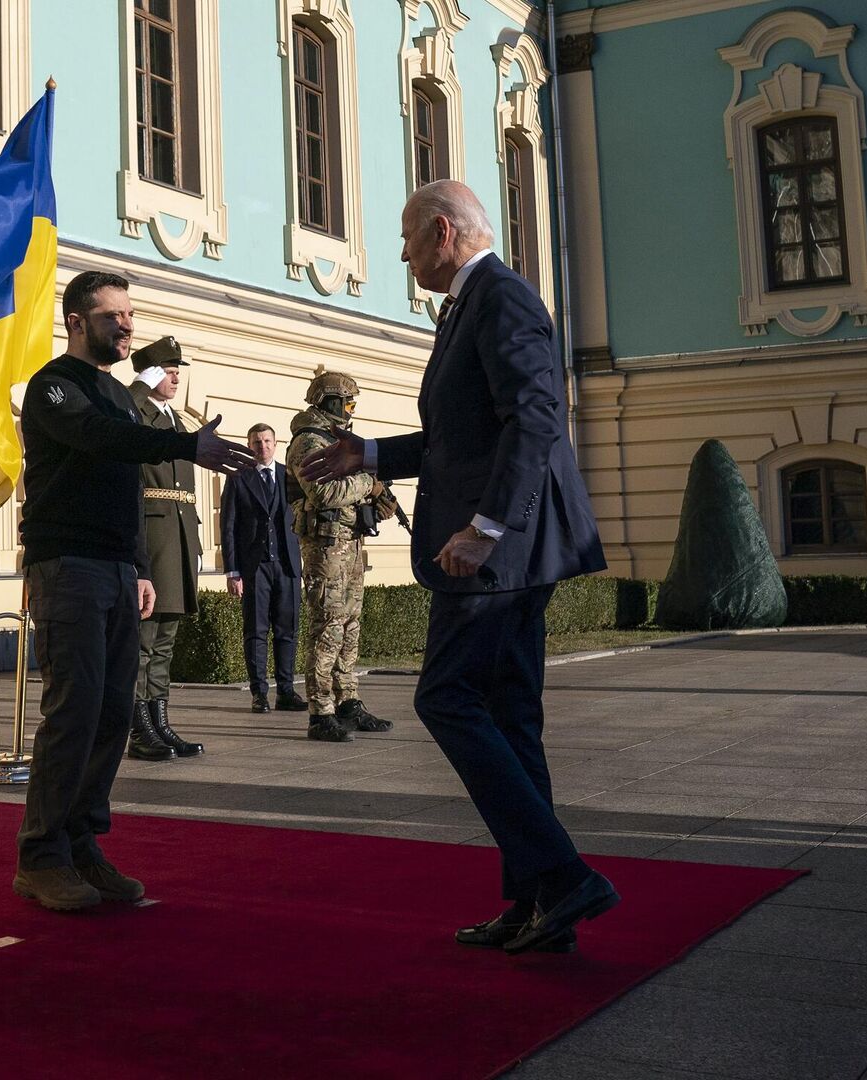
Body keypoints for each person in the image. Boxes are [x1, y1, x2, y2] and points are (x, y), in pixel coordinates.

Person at [300, 180, 615, 955]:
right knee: (510, 719)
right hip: (502, 546)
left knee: (446, 698)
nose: (402, 253)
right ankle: (540, 903)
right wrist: (368, 454)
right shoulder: (473, 305)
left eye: (408, 239)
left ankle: (563, 876)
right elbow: (460, 438)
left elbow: (534, 418)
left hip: (495, 553)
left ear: (442, 232)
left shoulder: (500, 298)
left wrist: (486, 526)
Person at [13, 271, 253, 911]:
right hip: (66, 567)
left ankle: (83, 845)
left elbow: (127, 493)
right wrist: (182, 443)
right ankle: (41, 857)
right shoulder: (54, 387)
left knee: (115, 713)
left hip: (116, 571)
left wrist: (140, 568)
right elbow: (99, 439)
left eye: (129, 313)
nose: (126, 325)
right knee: (75, 710)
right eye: (111, 315)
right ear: (76, 322)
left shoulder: (120, 397)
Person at [284, 372, 397, 742]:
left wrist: (376, 499)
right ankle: (321, 711)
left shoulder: (339, 440)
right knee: (328, 625)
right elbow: (323, 494)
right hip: (325, 547)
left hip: (350, 543)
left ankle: (348, 700)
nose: (350, 410)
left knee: (350, 624)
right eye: (346, 403)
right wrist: (370, 482)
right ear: (328, 402)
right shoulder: (308, 441)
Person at [127, 335, 207, 761]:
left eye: (177, 371)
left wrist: (193, 544)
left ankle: (160, 722)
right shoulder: (134, 410)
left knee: (164, 642)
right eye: (168, 371)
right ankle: (139, 730)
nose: (175, 378)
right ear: (150, 373)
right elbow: (119, 415)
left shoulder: (176, 421)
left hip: (177, 541)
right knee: (143, 640)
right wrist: (140, 384)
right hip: (151, 541)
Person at [221, 423, 305, 714]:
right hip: (254, 567)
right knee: (255, 632)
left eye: (267, 441)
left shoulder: (289, 476)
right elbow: (228, 526)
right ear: (249, 445)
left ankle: (286, 690)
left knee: (287, 631)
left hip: (287, 565)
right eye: (256, 442)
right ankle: (259, 693)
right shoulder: (238, 478)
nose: (262, 446)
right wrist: (232, 571)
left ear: (276, 443)